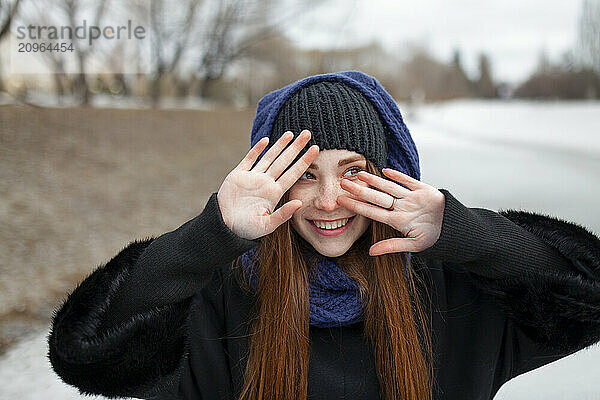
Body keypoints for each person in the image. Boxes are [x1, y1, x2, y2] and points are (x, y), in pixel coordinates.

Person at [48, 71, 600, 400]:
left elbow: (589, 296)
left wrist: (465, 234)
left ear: (392, 173)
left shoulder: (453, 291)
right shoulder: (225, 297)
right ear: (270, 180)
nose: (330, 200)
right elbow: (86, 351)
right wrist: (210, 237)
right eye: (305, 174)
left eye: (354, 169)